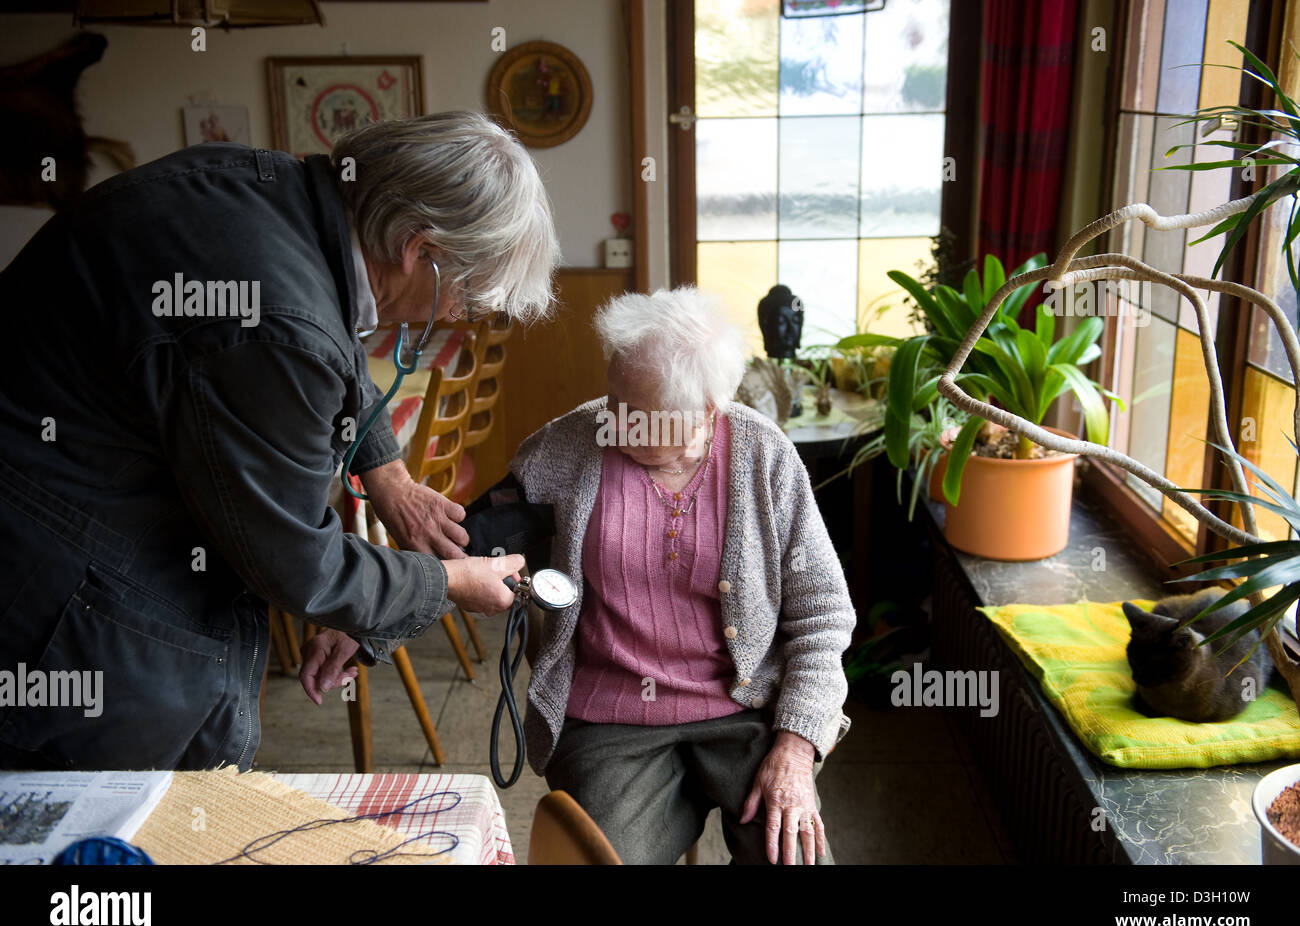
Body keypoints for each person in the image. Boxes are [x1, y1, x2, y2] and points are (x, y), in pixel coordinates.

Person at [0, 111, 558, 771]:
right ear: (418, 249)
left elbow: (327, 329)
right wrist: (444, 583)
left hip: (65, 515)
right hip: (60, 588)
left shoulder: (276, 196)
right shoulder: (275, 320)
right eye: (469, 292)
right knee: (116, 827)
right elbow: (300, 564)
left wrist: (387, 473)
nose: (463, 312)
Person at [509, 287, 854, 865]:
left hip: (746, 712)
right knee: (595, 860)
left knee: (794, 856)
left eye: (636, 414)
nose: (612, 420)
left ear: (707, 412)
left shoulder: (762, 455)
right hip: (610, 717)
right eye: (612, 396)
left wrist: (796, 746)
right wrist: (369, 625)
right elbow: (474, 537)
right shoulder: (573, 441)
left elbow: (822, 611)